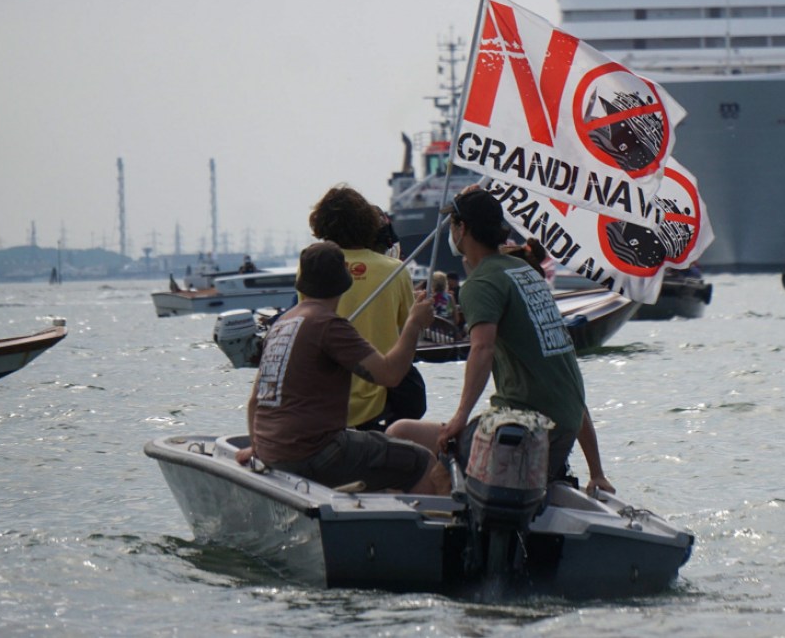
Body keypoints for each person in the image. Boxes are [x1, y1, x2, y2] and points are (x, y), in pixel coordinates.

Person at [387, 186, 615, 496]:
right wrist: (596, 471)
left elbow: (482, 349)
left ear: (462, 228)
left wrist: (459, 418)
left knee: (400, 433)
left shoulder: (480, 284)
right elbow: (568, 381)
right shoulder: (526, 273)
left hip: (521, 431)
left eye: (452, 224)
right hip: (561, 433)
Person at [236, 241, 443, 494]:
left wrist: (258, 448)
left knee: (387, 449)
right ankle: (431, 529)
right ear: (344, 281)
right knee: (420, 461)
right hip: (316, 453)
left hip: (271, 451)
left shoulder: (281, 325)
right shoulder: (328, 325)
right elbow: (390, 374)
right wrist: (413, 323)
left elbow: (254, 402)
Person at [308, 184, 422, 431]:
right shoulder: (395, 271)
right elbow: (409, 334)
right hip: (381, 398)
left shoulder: (312, 266)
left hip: (324, 401)